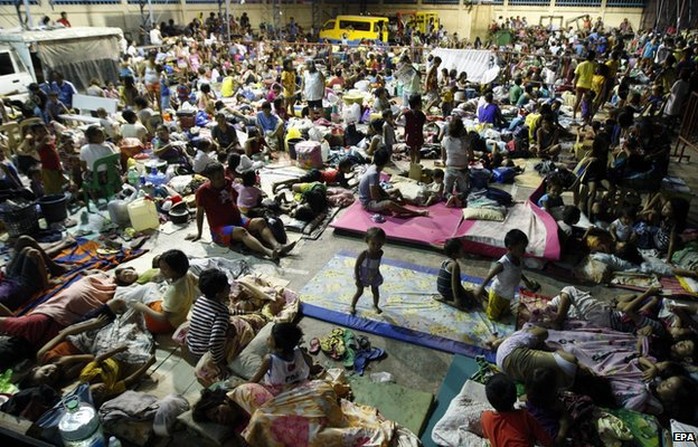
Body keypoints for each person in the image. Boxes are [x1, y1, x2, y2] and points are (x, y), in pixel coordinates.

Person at [0, 269, 138, 349]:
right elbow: (84, 272)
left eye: (131, 278)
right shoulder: (100, 274)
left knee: (30, 334)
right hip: (54, 310)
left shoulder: (116, 290)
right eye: (128, 271)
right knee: (23, 324)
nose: (129, 275)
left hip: (64, 321)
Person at [187, 162, 295, 261]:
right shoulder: (202, 192)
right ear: (210, 178)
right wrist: (199, 233)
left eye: (222, 175)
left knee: (260, 222)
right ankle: (268, 252)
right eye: (218, 178)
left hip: (236, 219)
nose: (222, 179)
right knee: (242, 232)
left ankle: (277, 246)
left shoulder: (227, 182)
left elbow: (234, 198)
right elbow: (200, 213)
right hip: (220, 228)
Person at [476, 229, 538, 321]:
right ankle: (482, 300)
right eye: (521, 249)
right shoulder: (503, 263)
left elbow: (518, 272)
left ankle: (488, 299)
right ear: (510, 248)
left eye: (525, 248)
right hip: (498, 292)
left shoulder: (519, 259)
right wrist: (481, 287)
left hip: (508, 293)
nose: (524, 251)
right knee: (493, 317)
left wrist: (526, 281)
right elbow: (490, 275)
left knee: (505, 313)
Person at [131, 249, 198, 334]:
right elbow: (199, 282)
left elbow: (162, 318)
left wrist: (141, 307)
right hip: (179, 318)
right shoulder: (188, 274)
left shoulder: (175, 291)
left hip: (164, 325)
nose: (161, 271)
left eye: (165, 269)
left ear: (177, 269)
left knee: (148, 289)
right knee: (152, 288)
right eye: (160, 268)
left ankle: (125, 301)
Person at [0, 236, 71, 313]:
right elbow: (9, 317)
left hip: (8, 278)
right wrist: (46, 284)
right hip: (23, 285)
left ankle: (54, 267)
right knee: (32, 253)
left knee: (24, 240)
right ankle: (49, 278)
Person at [480, 373, 554, 447]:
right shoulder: (524, 417)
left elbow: (488, 437)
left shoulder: (485, 418)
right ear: (515, 397)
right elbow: (548, 442)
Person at [186, 269, 233, 380]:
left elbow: (225, 309)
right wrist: (219, 364)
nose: (230, 286)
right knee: (236, 332)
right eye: (227, 285)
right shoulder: (221, 314)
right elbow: (214, 343)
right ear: (218, 294)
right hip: (203, 353)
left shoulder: (201, 300)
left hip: (192, 346)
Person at [357, 148, 428, 218]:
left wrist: (386, 195)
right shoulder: (374, 173)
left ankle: (401, 207)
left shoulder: (374, 167)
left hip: (373, 197)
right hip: (368, 203)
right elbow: (374, 197)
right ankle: (415, 213)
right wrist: (388, 198)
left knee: (396, 191)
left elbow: (377, 187)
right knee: (389, 203)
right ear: (386, 161)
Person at [249, 322, 313, 393]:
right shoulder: (299, 351)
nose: (268, 338)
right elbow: (310, 362)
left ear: (280, 348)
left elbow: (254, 381)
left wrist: (240, 386)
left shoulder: (269, 359)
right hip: (300, 386)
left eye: (271, 338)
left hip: (280, 393)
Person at [350, 227, 386, 316]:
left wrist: (377, 273)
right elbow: (357, 265)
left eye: (379, 244)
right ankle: (352, 305)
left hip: (374, 276)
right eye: (373, 243)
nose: (376, 246)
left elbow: (376, 264)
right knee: (359, 292)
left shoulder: (380, 252)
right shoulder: (364, 254)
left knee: (376, 292)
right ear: (367, 241)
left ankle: (375, 305)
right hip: (363, 276)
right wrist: (358, 279)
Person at [436, 238, 476, 310]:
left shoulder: (446, 261)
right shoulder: (455, 265)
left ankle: (446, 297)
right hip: (447, 291)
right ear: (454, 254)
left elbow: (457, 283)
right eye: (461, 250)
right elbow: (454, 284)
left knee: (469, 294)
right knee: (470, 305)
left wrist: (465, 292)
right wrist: (456, 299)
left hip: (441, 289)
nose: (463, 251)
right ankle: (446, 301)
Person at [440, 118, 472, 208]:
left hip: (450, 168)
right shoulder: (466, 141)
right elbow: (471, 156)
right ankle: (458, 197)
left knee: (445, 191)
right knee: (465, 191)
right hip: (463, 169)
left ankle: (450, 196)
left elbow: (443, 158)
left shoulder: (445, 140)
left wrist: (446, 161)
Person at [29, 123, 64, 195]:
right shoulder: (38, 142)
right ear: (35, 134)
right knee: (51, 188)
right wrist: (43, 141)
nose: (44, 132)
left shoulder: (50, 140)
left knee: (59, 185)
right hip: (48, 168)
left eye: (44, 130)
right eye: (40, 131)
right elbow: (37, 149)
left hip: (56, 166)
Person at [573, 51, 596, 122]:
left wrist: (574, 85)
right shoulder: (593, 65)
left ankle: (574, 115)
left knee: (577, 100)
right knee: (586, 102)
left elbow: (576, 76)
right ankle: (584, 116)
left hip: (579, 85)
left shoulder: (580, 64)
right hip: (588, 86)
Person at [403, 94, 426, 165]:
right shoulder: (407, 115)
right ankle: (412, 163)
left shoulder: (422, 115)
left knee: (418, 150)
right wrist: (404, 136)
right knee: (411, 149)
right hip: (410, 136)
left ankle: (417, 164)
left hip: (419, 136)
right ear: (417, 105)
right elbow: (405, 126)